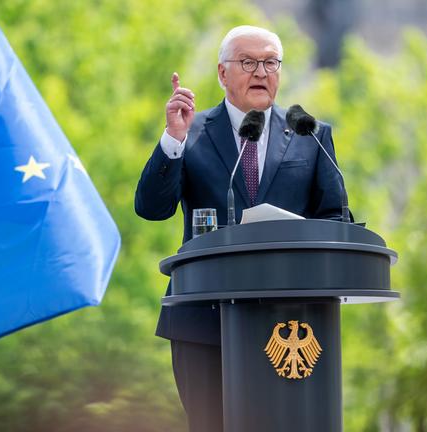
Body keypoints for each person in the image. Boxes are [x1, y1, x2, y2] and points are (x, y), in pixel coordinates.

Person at [135, 25, 347, 432]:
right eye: (248, 62)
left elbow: (334, 218)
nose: (261, 72)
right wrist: (172, 139)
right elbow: (151, 208)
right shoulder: (191, 131)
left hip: (291, 325)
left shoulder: (310, 135)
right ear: (222, 73)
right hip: (203, 320)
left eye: (270, 62)